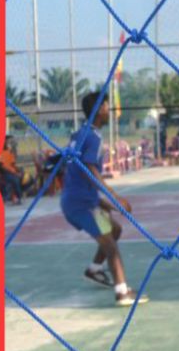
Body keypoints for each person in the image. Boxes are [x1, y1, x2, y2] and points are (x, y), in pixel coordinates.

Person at [60, 91, 147, 307]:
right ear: (99, 110)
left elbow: (79, 177)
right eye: (108, 107)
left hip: (79, 199)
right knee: (110, 246)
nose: (110, 111)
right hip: (81, 204)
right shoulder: (94, 137)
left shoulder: (79, 134)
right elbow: (89, 170)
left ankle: (94, 270)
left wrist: (108, 205)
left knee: (115, 230)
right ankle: (122, 292)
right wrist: (115, 197)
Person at [0, 136, 24, 205]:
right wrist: (14, 172)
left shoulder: (9, 150)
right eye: (5, 140)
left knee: (24, 176)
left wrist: (18, 170)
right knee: (14, 180)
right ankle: (17, 197)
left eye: (6, 141)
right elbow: (1, 166)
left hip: (11, 171)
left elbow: (12, 163)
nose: (6, 142)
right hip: (3, 172)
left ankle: (14, 197)